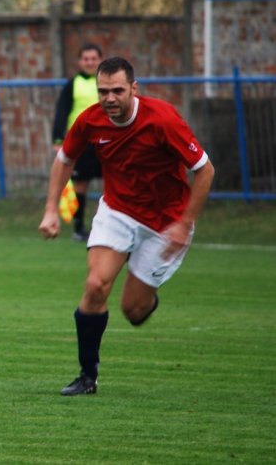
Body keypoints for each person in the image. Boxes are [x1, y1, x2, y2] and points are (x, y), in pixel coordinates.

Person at [38, 57, 215, 396]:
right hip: (118, 211)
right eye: (103, 91)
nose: (109, 98)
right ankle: (87, 377)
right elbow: (65, 159)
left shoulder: (162, 119)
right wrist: (50, 210)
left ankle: (146, 298)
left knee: (132, 311)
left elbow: (204, 170)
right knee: (95, 286)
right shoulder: (91, 120)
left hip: (166, 223)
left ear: (133, 89)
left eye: (117, 90)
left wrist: (184, 223)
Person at [52, 43, 104, 242]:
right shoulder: (73, 84)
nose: (90, 62)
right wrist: (58, 139)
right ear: (80, 61)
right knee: (80, 184)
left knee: (114, 182)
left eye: (93, 58)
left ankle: (108, 226)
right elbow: (61, 111)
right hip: (82, 143)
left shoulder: (106, 82)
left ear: (100, 60)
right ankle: (79, 227)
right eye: (86, 59)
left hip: (106, 141)